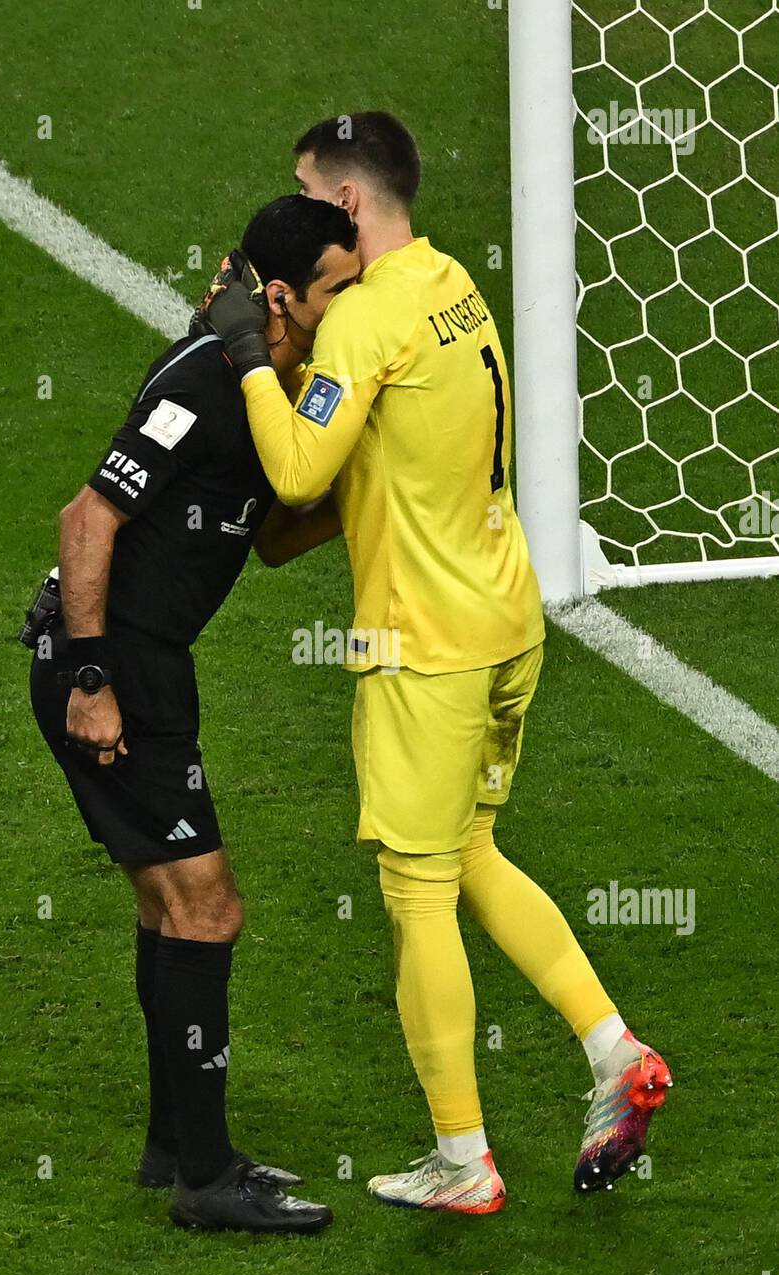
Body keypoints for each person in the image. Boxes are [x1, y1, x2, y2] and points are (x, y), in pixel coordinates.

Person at [204, 112, 672, 1214]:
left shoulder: (365, 318)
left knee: (415, 893)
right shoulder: (453, 282)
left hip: (427, 650)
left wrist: (244, 355)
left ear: (350, 208)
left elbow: (298, 466)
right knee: (471, 849)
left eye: (313, 197)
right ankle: (612, 1051)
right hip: (508, 622)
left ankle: (461, 1158)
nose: (306, 218)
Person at [28, 194, 360, 1234]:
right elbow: (86, 518)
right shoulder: (203, 383)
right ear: (281, 298)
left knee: (166, 907)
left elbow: (265, 538)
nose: (354, 309)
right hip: (109, 667)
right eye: (339, 293)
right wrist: (91, 680)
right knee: (205, 908)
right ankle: (205, 1179)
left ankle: (176, 1145)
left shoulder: (273, 391)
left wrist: (371, 496)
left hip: (151, 665)